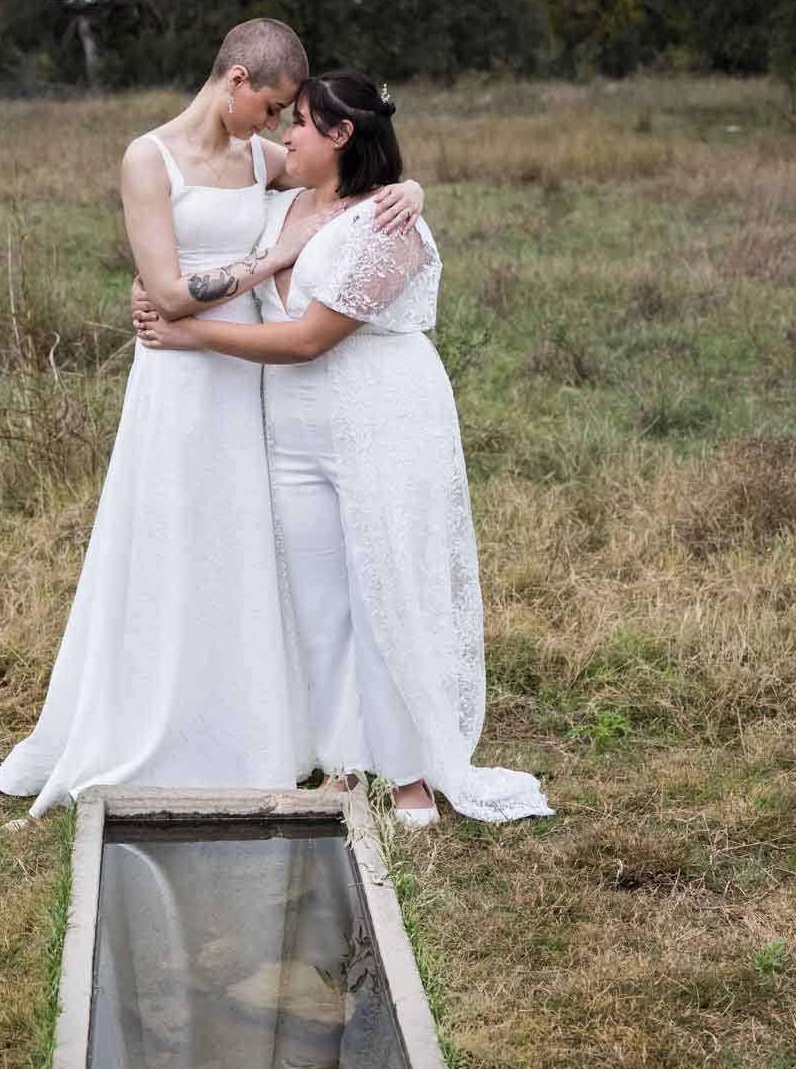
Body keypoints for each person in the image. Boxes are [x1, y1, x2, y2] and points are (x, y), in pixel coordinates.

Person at [0, 21, 423, 815]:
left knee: (248, 545)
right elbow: (165, 293)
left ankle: (258, 726)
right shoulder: (147, 158)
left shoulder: (262, 157)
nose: (275, 126)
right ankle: (158, 719)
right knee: (173, 532)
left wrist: (410, 189)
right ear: (234, 80)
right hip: (180, 376)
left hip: (248, 375)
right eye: (270, 106)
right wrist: (268, 261)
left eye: (287, 113)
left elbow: (345, 177)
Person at [136, 68, 551, 828]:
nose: (282, 134)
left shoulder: (393, 223)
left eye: (298, 122)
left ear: (341, 136)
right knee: (319, 602)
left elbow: (307, 339)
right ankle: (344, 763)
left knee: (384, 591)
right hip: (291, 433)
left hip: (385, 423)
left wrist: (186, 332)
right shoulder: (279, 206)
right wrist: (170, 290)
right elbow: (210, 240)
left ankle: (412, 775)